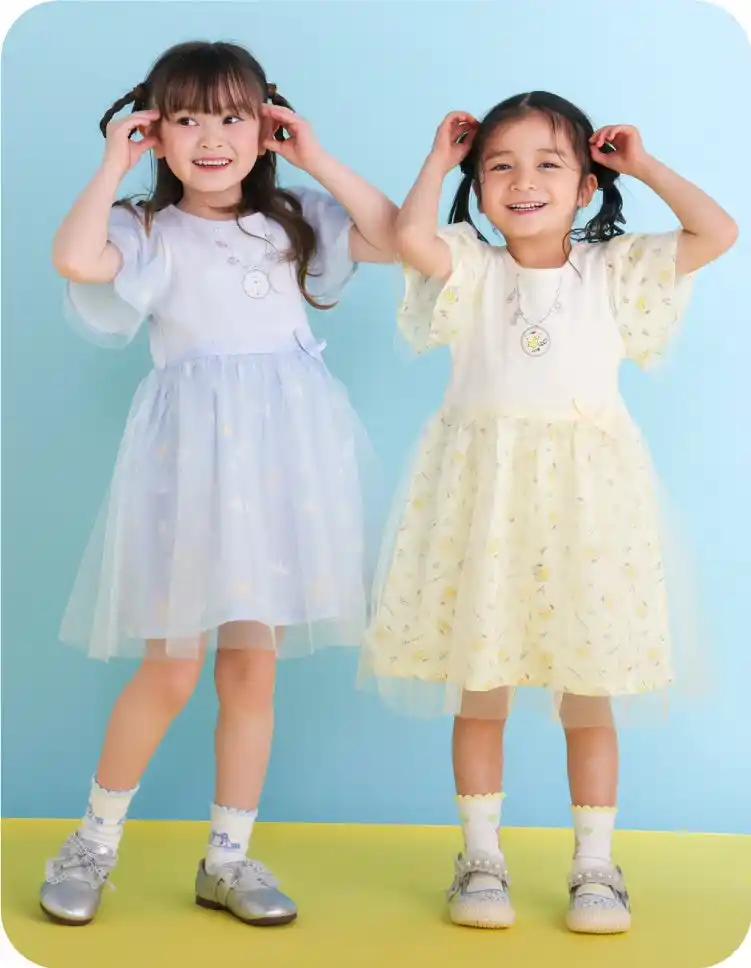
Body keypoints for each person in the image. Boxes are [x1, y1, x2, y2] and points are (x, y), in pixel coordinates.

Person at [40, 40, 397, 928]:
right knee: (170, 669)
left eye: (233, 117)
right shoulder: (146, 229)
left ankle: (227, 859)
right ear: (155, 133)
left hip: (282, 470)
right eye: (187, 119)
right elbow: (76, 260)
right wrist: (110, 163)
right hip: (190, 473)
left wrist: (314, 157)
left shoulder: (295, 219)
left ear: (264, 127)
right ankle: (90, 845)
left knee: (251, 672)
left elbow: (396, 237)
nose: (210, 138)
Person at [361, 91, 736, 933]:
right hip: (483, 506)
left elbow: (716, 232)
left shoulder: (613, 270)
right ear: (476, 184)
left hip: (586, 511)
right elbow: (409, 239)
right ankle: (479, 858)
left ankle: (594, 865)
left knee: (588, 693)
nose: (522, 182)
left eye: (546, 165)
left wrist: (642, 164)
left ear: (585, 187)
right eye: (499, 166)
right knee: (480, 687)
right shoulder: (470, 266)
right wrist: (437, 160)